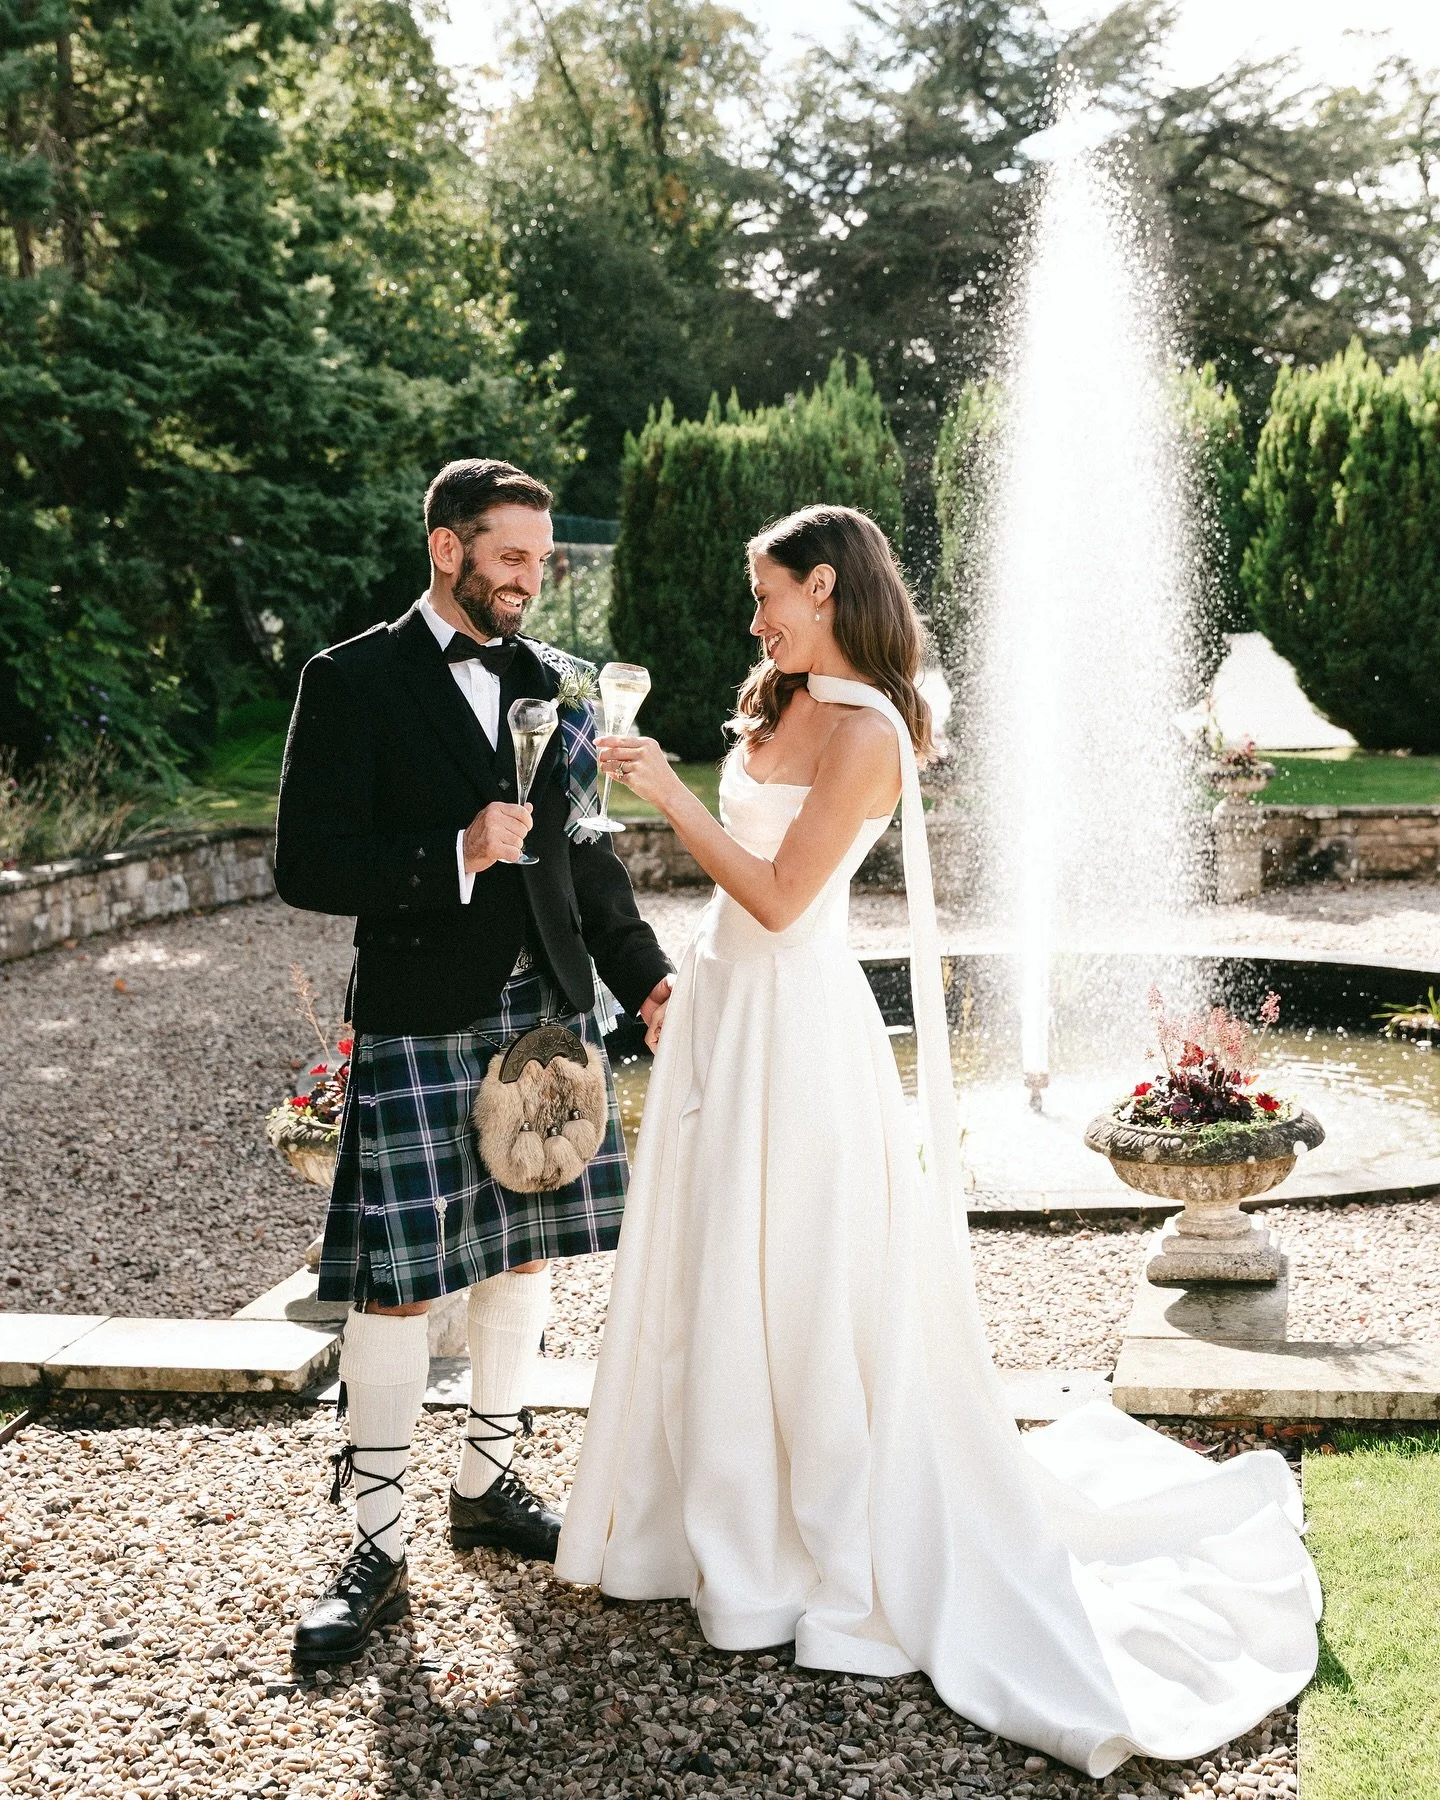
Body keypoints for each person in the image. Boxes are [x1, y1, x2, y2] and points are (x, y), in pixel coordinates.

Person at [555, 504, 1320, 1778]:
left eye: (768, 598)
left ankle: (791, 1540)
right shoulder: (784, 696)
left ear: (823, 587)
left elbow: (788, 897)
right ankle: (693, 1525)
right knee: (708, 1262)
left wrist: (664, 796)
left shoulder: (869, 734)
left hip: (796, 1021)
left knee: (796, 1273)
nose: (753, 621)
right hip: (724, 1010)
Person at [273, 458, 672, 1670]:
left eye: (540, 559)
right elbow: (307, 865)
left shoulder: (554, 681)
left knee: (524, 1252)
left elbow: (588, 858)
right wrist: (449, 851)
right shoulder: (347, 681)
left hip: (545, 1013)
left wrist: (645, 972)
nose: (530, 577)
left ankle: (487, 1484)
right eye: (511, 555)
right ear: (447, 548)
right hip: (418, 1013)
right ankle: (377, 1545)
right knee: (398, 1282)